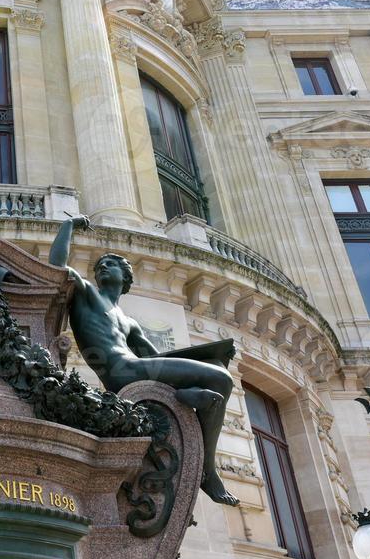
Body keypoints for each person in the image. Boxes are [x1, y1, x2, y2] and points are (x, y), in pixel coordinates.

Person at [49, 215, 239, 506]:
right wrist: (68, 227)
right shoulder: (87, 294)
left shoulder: (128, 322)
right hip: (120, 371)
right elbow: (56, 269)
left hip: (136, 369)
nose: (102, 266)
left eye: (111, 264)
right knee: (221, 379)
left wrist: (212, 354)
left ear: (125, 278)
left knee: (216, 375)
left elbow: (159, 361)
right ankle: (207, 471)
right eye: (100, 265)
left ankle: (182, 398)